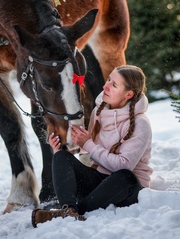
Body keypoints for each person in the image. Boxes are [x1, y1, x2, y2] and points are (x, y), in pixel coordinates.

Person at [31, 65, 153, 227]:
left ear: (128, 95)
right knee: (61, 157)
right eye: (108, 79)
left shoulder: (140, 124)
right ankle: (69, 209)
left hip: (126, 188)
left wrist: (88, 144)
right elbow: (89, 151)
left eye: (114, 85)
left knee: (125, 176)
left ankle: (72, 211)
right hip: (98, 181)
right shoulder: (99, 110)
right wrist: (61, 148)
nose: (105, 86)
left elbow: (123, 166)